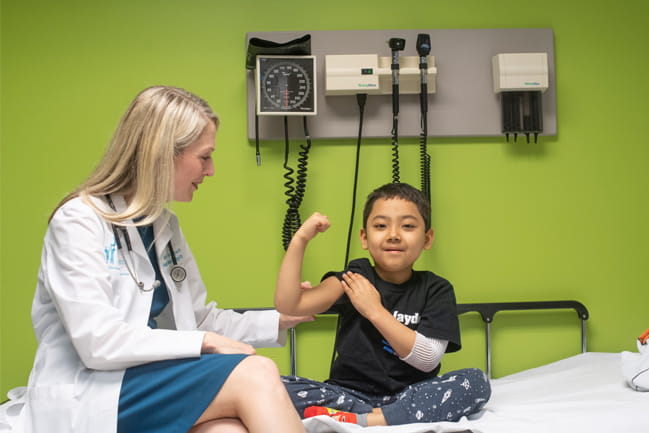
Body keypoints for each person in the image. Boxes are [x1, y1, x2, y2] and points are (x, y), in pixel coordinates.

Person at [21, 86, 311, 433]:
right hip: (94, 389)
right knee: (256, 372)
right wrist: (206, 343)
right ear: (162, 154)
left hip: (144, 383)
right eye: (204, 157)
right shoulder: (78, 221)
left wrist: (280, 319)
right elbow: (97, 341)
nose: (212, 170)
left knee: (226, 431)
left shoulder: (164, 226)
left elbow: (196, 319)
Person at [275, 182, 491, 426]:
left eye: (408, 226)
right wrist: (301, 239)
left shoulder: (436, 289)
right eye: (380, 226)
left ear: (427, 238)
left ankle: (369, 420)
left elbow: (429, 358)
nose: (393, 235)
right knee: (269, 384)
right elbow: (290, 305)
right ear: (364, 238)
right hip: (348, 396)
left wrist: (374, 311)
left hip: (412, 396)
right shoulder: (354, 278)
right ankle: (372, 417)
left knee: (475, 381)